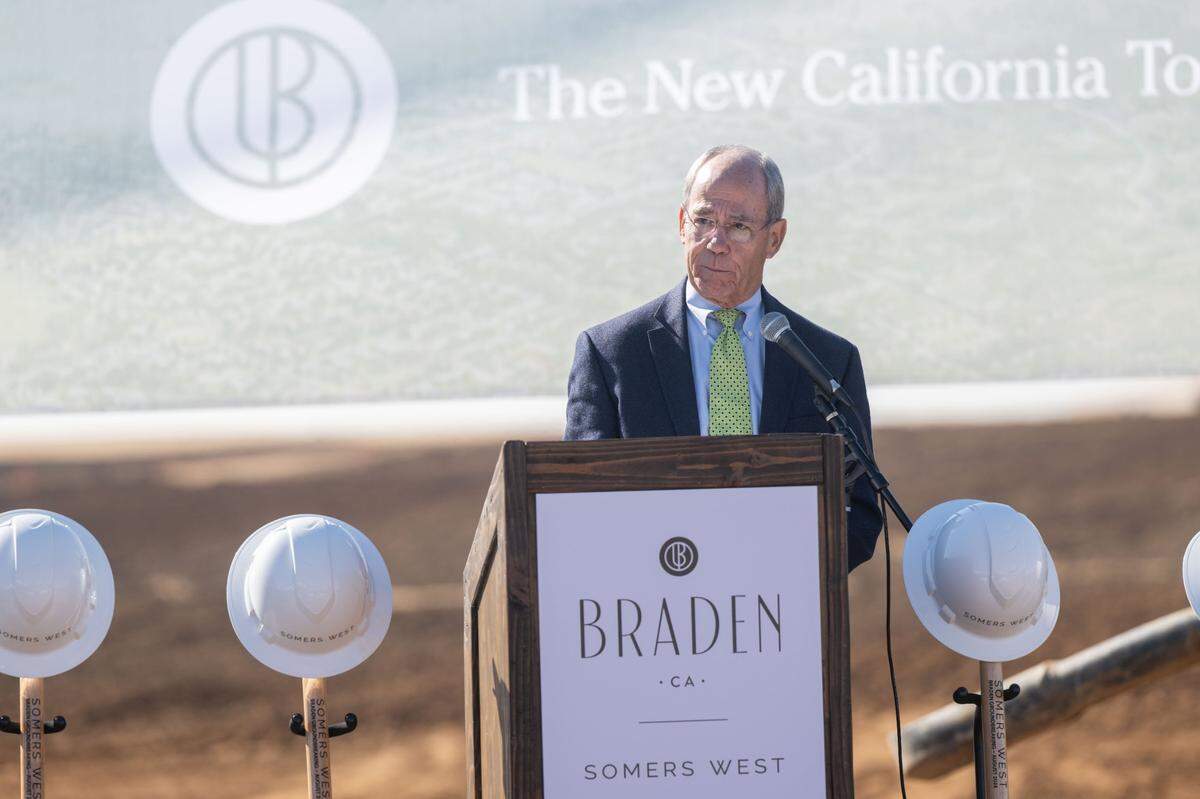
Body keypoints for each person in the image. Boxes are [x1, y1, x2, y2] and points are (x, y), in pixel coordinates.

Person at [563, 144, 882, 571]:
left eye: (738, 227)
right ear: (681, 223)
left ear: (775, 239)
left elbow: (858, 516)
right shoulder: (611, 354)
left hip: (781, 614)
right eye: (704, 221)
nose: (716, 242)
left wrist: (765, 569)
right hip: (651, 613)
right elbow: (579, 507)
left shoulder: (826, 361)